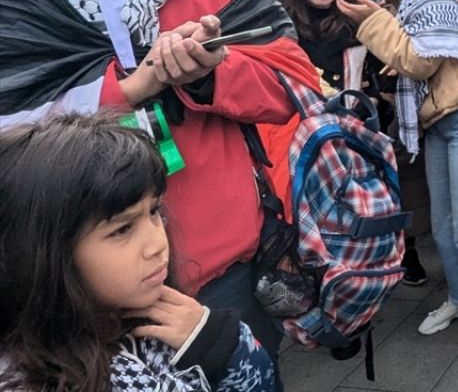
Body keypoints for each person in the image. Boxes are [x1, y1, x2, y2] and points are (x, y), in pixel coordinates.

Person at [0, 0, 314, 371]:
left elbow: (295, 85)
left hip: (224, 272)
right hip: (72, 285)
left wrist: (210, 75)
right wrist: (127, 92)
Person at [0, 113, 276, 391]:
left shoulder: (160, 318)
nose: (157, 243)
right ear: (44, 256)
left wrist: (218, 342)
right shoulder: (41, 380)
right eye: (122, 229)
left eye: (154, 211)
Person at [338, 0, 458, 347]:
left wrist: (374, 21)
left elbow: (420, 61)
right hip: (441, 122)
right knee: (444, 228)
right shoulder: (415, 3)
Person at [274, 0, 431, 294]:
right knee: (312, 211)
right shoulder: (278, 23)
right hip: (297, 135)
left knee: (365, 204)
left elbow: (388, 69)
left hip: (354, 131)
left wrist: (374, 92)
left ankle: (386, 262)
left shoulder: (355, 16)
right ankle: (320, 282)